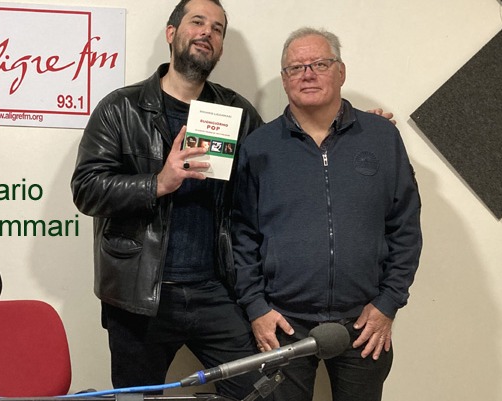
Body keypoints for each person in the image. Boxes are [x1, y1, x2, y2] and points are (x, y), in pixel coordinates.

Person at [70, 1, 264, 399]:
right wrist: (157, 183)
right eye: (197, 22)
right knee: (138, 399)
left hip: (217, 291)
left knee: (258, 390)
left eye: (218, 28)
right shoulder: (120, 108)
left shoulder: (237, 112)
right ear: (171, 33)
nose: (207, 32)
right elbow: (86, 189)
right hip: (140, 296)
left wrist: (344, 130)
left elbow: (274, 172)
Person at [230, 27, 422, 401]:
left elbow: (405, 226)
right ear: (284, 79)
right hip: (283, 324)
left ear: (341, 71)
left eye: (320, 63)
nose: (307, 74)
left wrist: (388, 303)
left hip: (364, 323)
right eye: (296, 67)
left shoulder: (381, 137)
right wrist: (256, 308)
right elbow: (242, 234)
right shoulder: (259, 146)